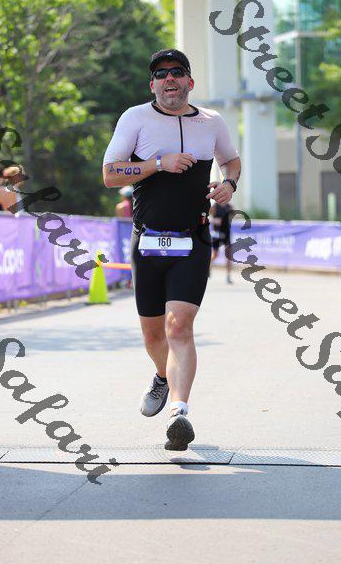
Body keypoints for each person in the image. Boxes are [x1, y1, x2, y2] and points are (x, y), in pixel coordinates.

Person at [102, 49, 241, 451]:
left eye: (177, 72)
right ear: (152, 85)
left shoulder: (211, 121)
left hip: (193, 238)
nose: (169, 79)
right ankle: (162, 376)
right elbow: (110, 174)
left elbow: (231, 161)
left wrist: (229, 184)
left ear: (189, 82)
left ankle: (179, 412)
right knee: (153, 334)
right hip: (147, 239)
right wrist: (158, 163)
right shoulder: (135, 118)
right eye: (161, 74)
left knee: (179, 326)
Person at [210, 201, 234, 284]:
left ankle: (228, 276)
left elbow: (235, 215)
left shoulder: (229, 206)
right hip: (217, 233)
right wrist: (214, 220)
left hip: (226, 233)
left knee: (228, 255)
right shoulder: (215, 206)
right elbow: (208, 218)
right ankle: (208, 267)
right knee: (215, 254)